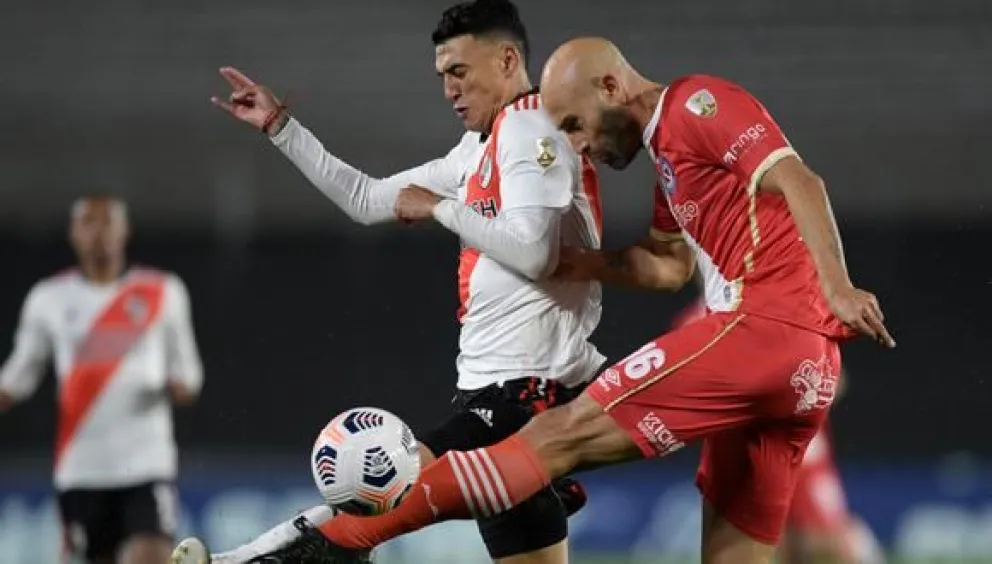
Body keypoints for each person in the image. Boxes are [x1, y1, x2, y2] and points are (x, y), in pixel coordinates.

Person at [234, 36, 897, 564]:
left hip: (762, 328)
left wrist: (837, 288)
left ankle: (340, 545)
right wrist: (570, 261)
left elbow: (799, 180)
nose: (576, 143)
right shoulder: (666, 162)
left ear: (611, 86)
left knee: (556, 436)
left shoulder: (698, 103)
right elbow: (665, 269)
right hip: (801, 374)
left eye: (576, 124)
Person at [173, 2, 603, 563]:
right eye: (442, 76)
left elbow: (537, 253)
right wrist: (282, 129)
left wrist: (444, 209)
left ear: (506, 59)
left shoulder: (530, 128)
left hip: (527, 392)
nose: (449, 88)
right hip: (489, 386)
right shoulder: (478, 148)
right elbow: (365, 199)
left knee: (383, 480)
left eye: (459, 72)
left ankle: (242, 560)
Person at [0, 196, 204, 564]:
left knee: (153, 555)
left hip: (147, 462)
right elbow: (21, 373)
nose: (99, 233)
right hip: (82, 466)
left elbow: (188, 370)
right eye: (89, 223)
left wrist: (181, 385)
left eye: (109, 222)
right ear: (73, 233)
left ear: (125, 230)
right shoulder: (49, 299)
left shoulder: (162, 291)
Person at [673, 297, 886, 563]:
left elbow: (833, 376)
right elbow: (689, 388)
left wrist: (792, 393)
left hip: (798, 443)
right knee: (772, 544)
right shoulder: (693, 322)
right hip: (741, 448)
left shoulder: (774, 297)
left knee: (822, 541)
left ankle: (857, 547)